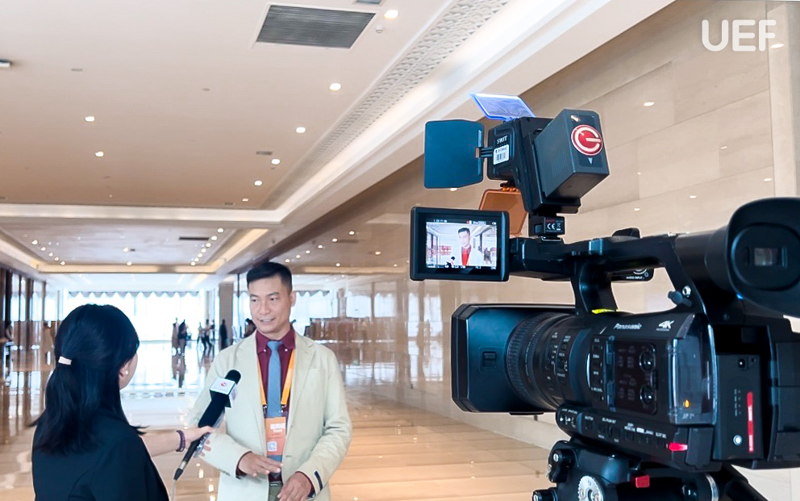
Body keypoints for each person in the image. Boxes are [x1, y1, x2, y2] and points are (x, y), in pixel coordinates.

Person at [190, 262, 351, 501]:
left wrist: (309, 476)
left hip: (304, 492)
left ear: (291, 298)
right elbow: (198, 426)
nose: (262, 310)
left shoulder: (322, 359)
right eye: (254, 300)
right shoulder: (228, 360)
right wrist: (237, 458)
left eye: (273, 299)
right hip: (244, 490)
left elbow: (338, 428)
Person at [31, 304, 212, 501]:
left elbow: (102, 455)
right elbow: (116, 452)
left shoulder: (52, 423)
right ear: (124, 366)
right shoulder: (117, 442)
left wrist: (181, 438)